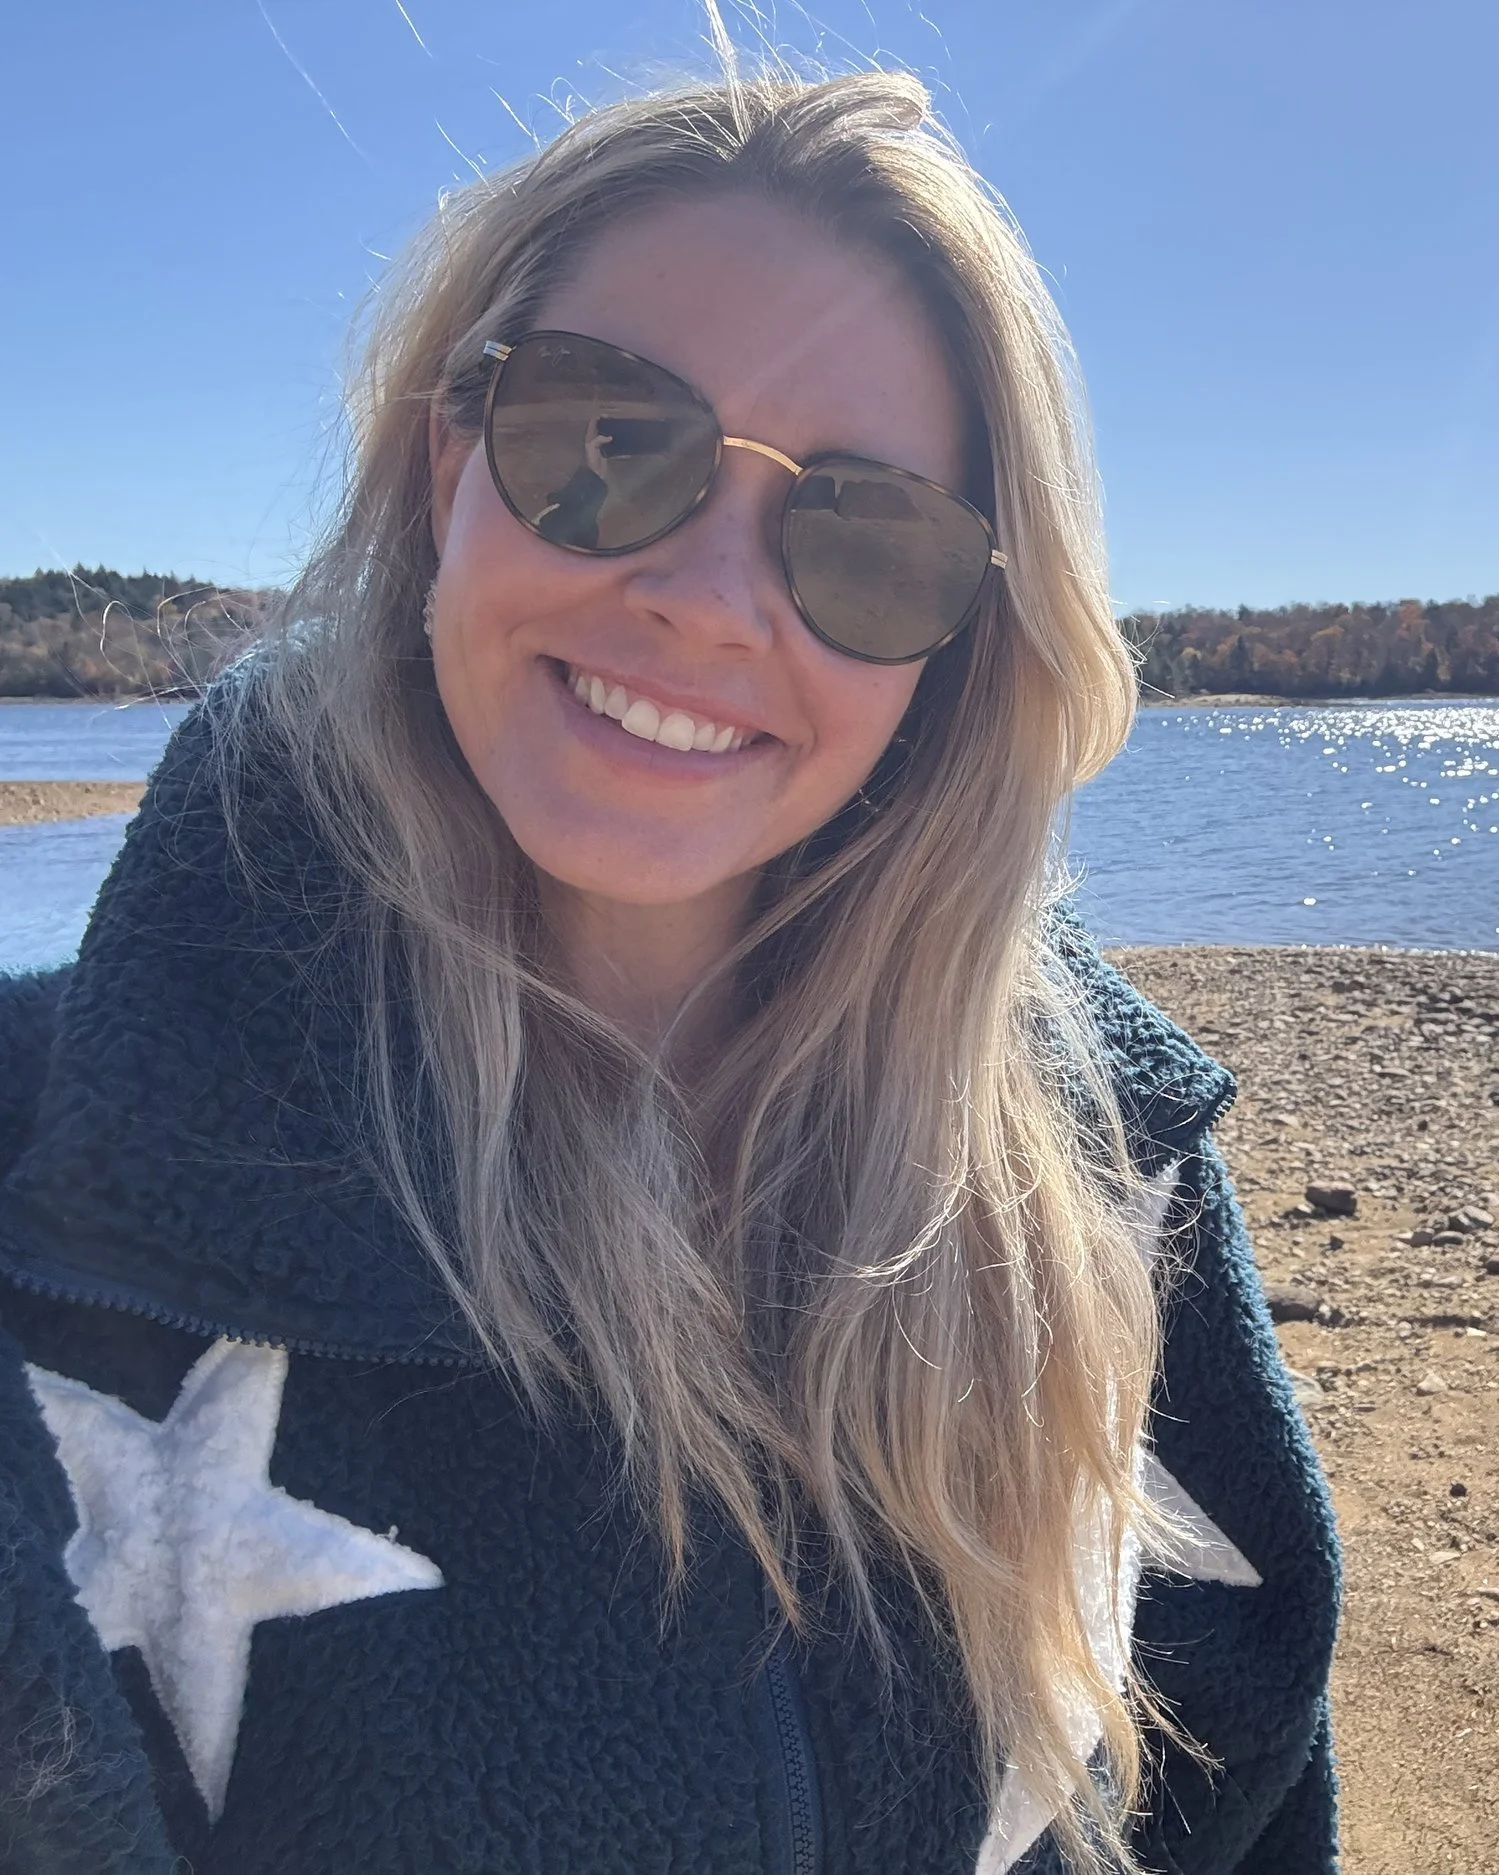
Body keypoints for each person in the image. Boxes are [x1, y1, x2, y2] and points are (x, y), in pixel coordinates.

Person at [0, 66, 1339, 1875]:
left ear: (957, 645)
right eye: (603, 439)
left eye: (864, 536)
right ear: (445, 451)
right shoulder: (52, 1195)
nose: (711, 601)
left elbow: (1248, 1805)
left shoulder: (1103, 1178)